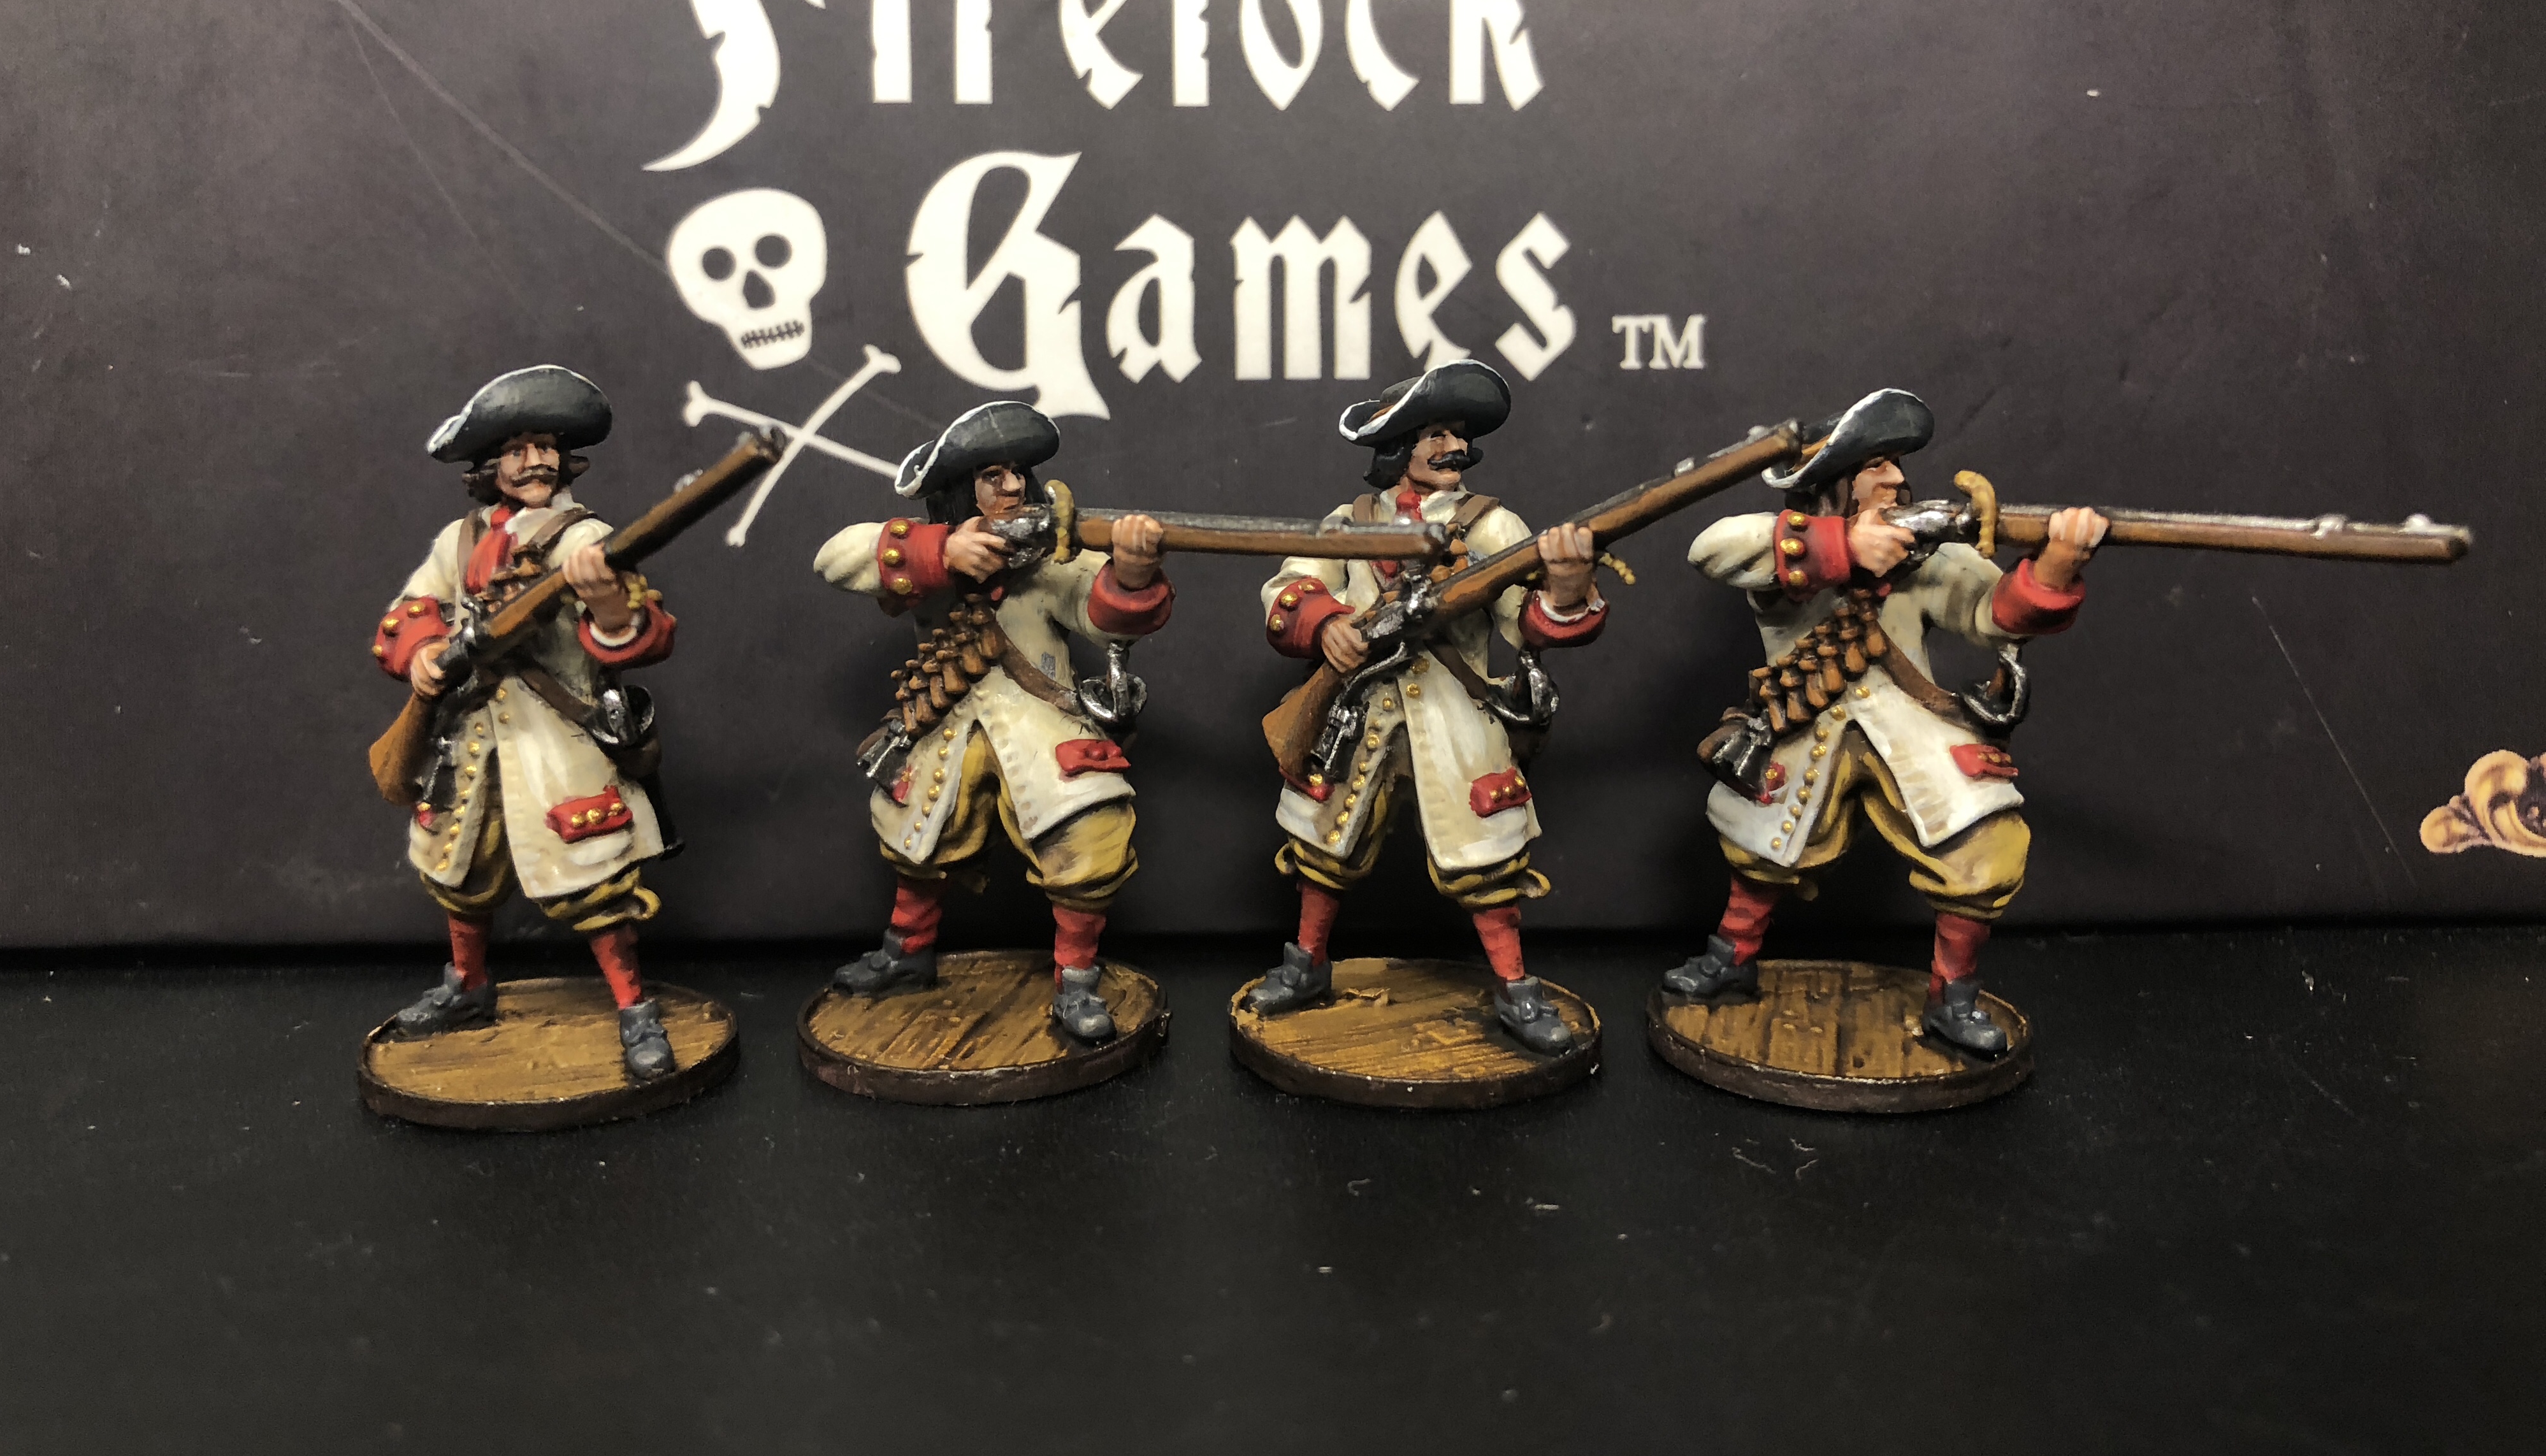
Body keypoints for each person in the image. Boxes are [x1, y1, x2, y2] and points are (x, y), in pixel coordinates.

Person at [1664, 388, 2108, 1055]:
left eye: (1896, 463)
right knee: (1758, 847)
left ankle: (1953, 1000)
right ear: (1832, 482)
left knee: (1983, 849)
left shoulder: (1926, 556)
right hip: (1803, 725)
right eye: (1876, 466)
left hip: (1913, 733)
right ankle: (1731, 960)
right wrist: (1844, 545)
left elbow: (1993, 615)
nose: (1897, 478)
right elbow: (1713, 549)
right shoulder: (1787, 543)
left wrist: (2057, 565)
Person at [1246, 360, 1605, 1053]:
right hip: (1357, 712)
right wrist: (1327, 624)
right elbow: (1289, 588)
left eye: (1459, 434)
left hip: (1454, 717)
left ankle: (1516, 990)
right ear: (1399, 446)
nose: (1454, 447)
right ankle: (1306, 966)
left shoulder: (1491, 525)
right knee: (1323, 846)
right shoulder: (1349, 523)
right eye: (1436, 433)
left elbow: (1525, 622)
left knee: (1488, 862)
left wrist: (1566, 585)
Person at [813, 402, 1171, 1044]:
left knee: (1087, 839)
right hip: (946, 722)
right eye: (992, 476)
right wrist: (942, 551)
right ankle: (907, 953)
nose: (1013, 486)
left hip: (1042, 726)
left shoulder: (1053, 557)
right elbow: (836, 559)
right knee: (915, 835)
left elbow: (1102, 615)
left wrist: (1133, 572)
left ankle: (1077, 980)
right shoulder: (933, 551)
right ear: (960, 492)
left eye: (1016, 474)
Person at [369, 365, 683, 1080]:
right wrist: (424, 657)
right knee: (458, 871)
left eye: (548, 448)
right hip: (471, 738)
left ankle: (634, 1010)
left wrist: (608, 605)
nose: (537, 461)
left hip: (556, 742)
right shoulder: (458, 541)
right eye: (518, 449)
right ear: (490, 467)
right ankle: (468, 986)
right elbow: (408, 613)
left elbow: (648, 634)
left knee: (596, 887)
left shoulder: (586, 539)